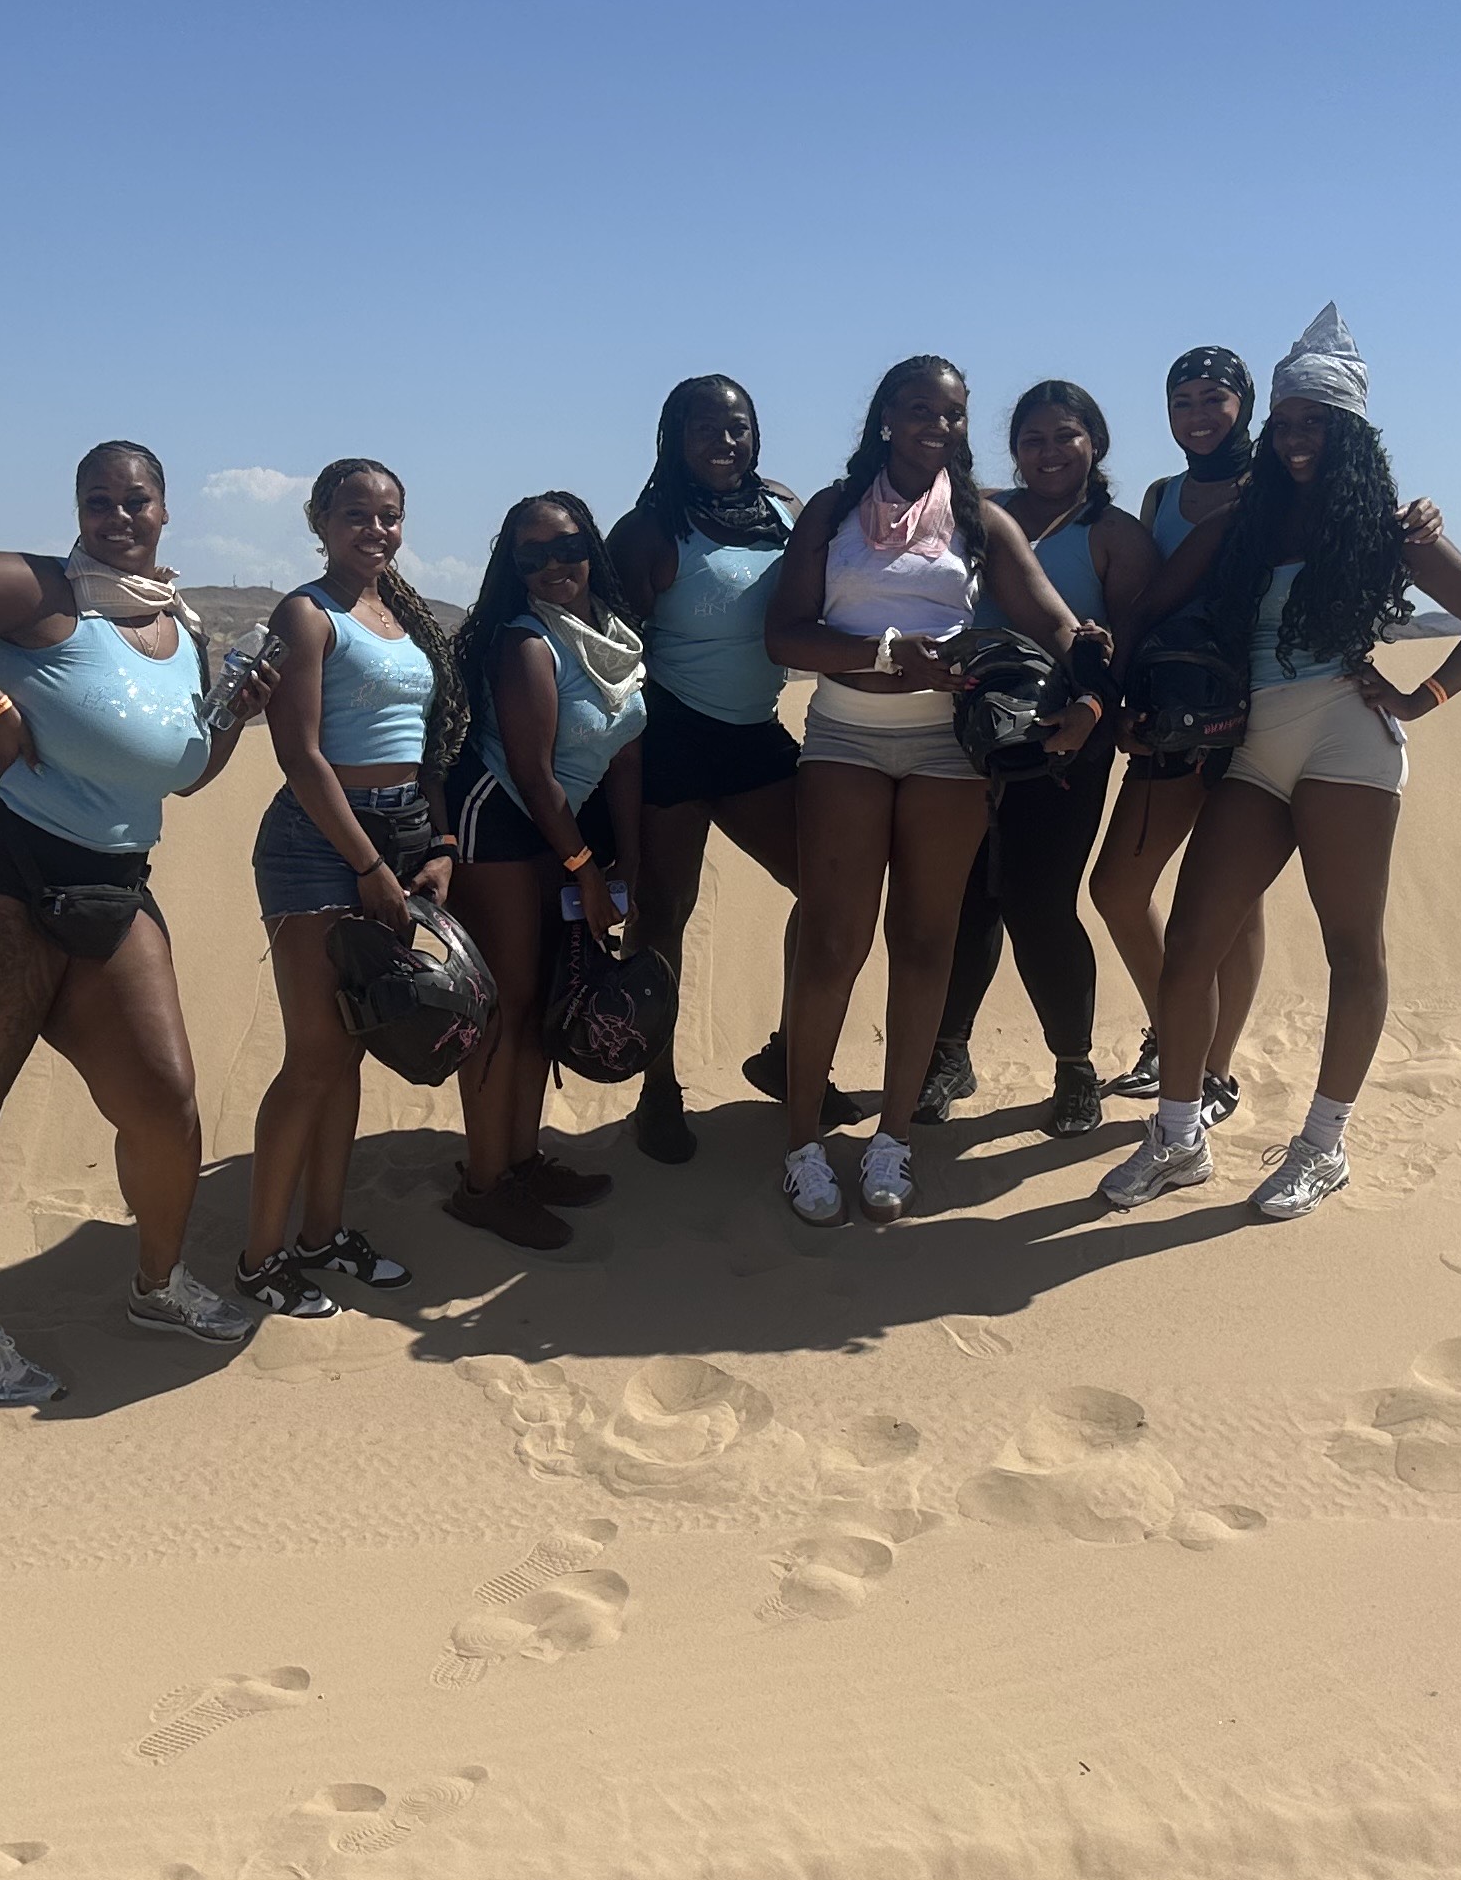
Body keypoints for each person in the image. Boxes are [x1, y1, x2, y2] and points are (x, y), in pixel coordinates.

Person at [0, 441, 279, 1402]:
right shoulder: (39, 590)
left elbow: (177, 775)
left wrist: (233, 719)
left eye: (136, 500)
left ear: (166, 510)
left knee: (163, 1098)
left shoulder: (180, 629)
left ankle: (159, 1285)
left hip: (107, 879)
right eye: (99, 501)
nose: (118, 517)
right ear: (77, 509)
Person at [1102, 307, 1461, 1222]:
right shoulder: (1243, 521)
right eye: (1285, 421)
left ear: (1350, 433)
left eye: (1315, 424)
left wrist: (1421, 698)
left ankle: (1323, 1146)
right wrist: (1122, 698)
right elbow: (1148, 605)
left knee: (1351, 948)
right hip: (1254, 747)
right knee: (1193, 945)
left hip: (1346, 744)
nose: (1296, 438)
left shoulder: (1389, 529)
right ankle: (1178, 1138)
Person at [762, 356, 1105, 1228]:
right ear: (886, 417)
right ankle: (802, 1144)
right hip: (844, 737)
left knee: (924, 940)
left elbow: (1048, 615)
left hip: (947, 748)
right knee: (832, 942)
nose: (939, 426)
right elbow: (785, 637)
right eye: (921, 410)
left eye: (953, 414)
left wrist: (1090, 671)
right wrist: (884, 655)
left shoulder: (981, 519)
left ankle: (893, 1138)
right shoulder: (832, 512)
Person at [603, 375, 865, 1161]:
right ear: (674, 438)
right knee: (662, 916)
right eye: (704, 428)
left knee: (828, 890)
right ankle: (657, 1089)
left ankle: (788, 1056)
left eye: (737, 427)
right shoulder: (650, 530)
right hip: (671, 736)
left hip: (755, 734)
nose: (724, 442)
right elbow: (609, 653)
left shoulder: (784, 511)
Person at [236, 457, 462, 1317]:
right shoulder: (306, 612)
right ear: (320, 521)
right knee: (314, 1056)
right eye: (356, 514)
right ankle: (259, 1259)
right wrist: (367, 866)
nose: (376, 529)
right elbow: (300, 755)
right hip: (319, 843)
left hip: (400, 836)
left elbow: (427, 744)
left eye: (390, 515)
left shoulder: (400, 614)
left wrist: (437, 844)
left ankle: (322, 1234)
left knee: (354, 1044)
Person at [913, 380, 1159, 1137]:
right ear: (1013, 450)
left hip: (1068, 736)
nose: (1048, 453)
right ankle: (948, 1055)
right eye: (1032, 440)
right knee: (966, 896)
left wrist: (1091, 714)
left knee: (1040, 901)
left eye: (1065, 436)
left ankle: (1074, 1066)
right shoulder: (979, 513)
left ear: (1095, 443)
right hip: (968, 729)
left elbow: (1129, 650)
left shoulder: (1116, 535)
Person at [443, 491, 651, 1251]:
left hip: (558, 834)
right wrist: (587, 872)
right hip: (498, 820)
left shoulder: (617, 641)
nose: (553, 565)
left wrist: (628, 860)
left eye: (566, 547)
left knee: (540, 1000)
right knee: (507, 1003)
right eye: (532, 555)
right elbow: (532, 776)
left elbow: (625, 757)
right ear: (514, 567)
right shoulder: (528, 642)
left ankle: (522, 1161)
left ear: (590, 548)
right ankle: (483, 1185)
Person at [1083, 346, 1271, 1129]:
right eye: (1182, 400)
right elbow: (1146, 601)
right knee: (1117, 890)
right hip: (1171, 714)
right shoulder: (1162, 495)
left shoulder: (1275, 483)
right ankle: (1177, 1038)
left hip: (1262, 711)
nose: (1197, 415)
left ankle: (1212, 1070)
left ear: (1244, 403)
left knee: (1236, 900)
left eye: (1212, 398)